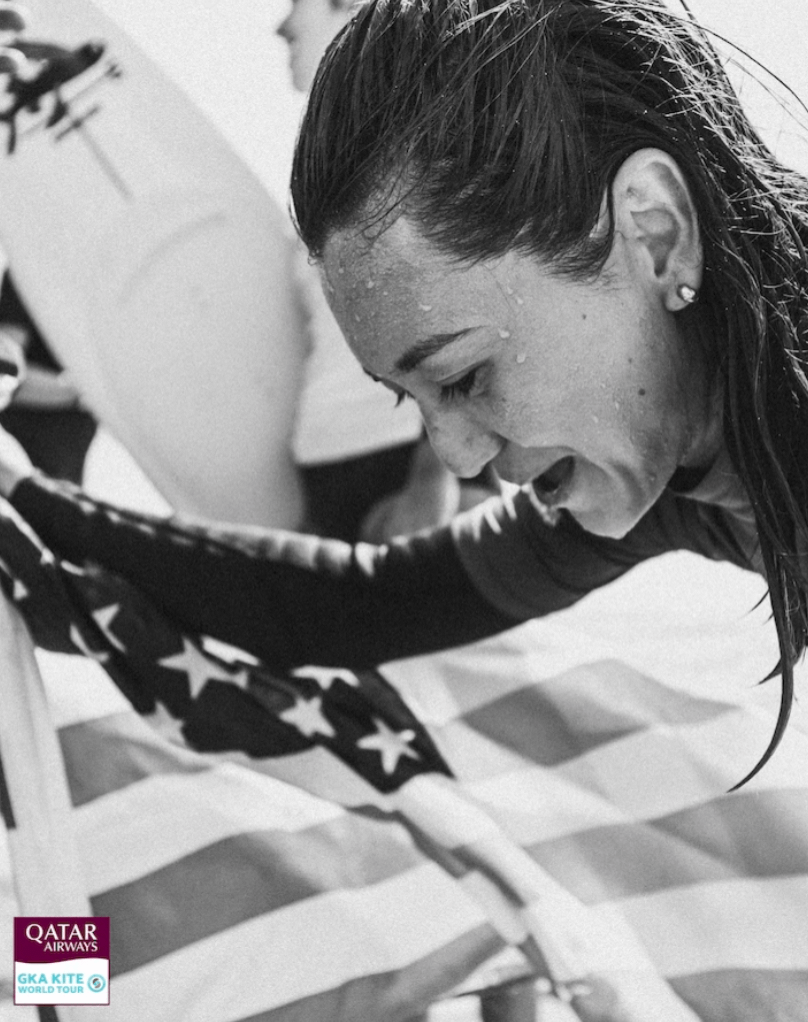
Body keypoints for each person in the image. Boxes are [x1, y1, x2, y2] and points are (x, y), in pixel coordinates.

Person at [0, 0, 805, 788]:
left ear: (655, 232)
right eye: (408, 399)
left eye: (464, 377)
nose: (458, 458)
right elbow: (367, 602)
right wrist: (22, 501)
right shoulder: (671, 476)